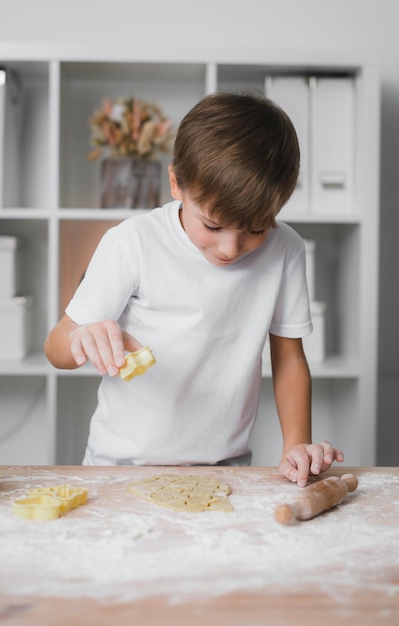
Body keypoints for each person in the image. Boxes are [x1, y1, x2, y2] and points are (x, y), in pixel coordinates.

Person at [44, 92, 344, 487]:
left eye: (256, 228)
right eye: (214, 226)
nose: (230, 248)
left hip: (225, 468)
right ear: (176, 184)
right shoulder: (133, 242)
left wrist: (296, 444)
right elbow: (56, 347)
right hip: (118, 468)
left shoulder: (285, 248)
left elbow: (288, 359)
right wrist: (83, 337)